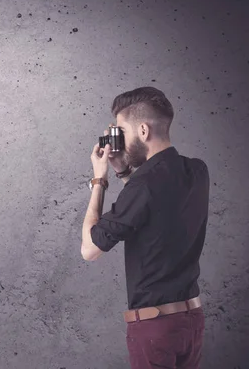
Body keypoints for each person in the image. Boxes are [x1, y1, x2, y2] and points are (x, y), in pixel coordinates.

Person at [80, 86, 210, 368]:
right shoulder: (198, 171)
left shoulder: (144, 186)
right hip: (192, 320)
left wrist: (99, 180)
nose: (120, 141)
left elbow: (89, 250)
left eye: (122, 132)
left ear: (142, 131)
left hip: (155, 329)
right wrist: (124, 172)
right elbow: (153, 209)